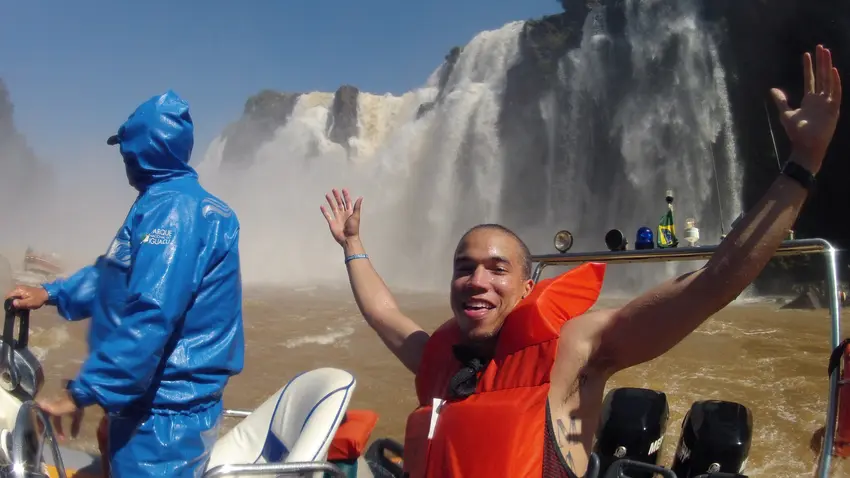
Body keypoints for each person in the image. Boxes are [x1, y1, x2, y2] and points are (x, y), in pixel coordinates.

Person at [319, 44, 842, 478]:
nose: (477, 280)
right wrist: (353, 248)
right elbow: (384, 314)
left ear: (528, 288)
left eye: (498, 268)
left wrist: (803, 163)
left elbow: (711, 283)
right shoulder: (440, 356)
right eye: (465, 266)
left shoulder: (579, 348)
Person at [5, 91, 245, 477]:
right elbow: (112, 274)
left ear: (142, 150)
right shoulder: (159, 201)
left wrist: (83, 393)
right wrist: (50, 293)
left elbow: (151, 315)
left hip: (165, 418)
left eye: (126, 151)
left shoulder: (175, 212)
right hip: (141, 400)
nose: (124, 161)